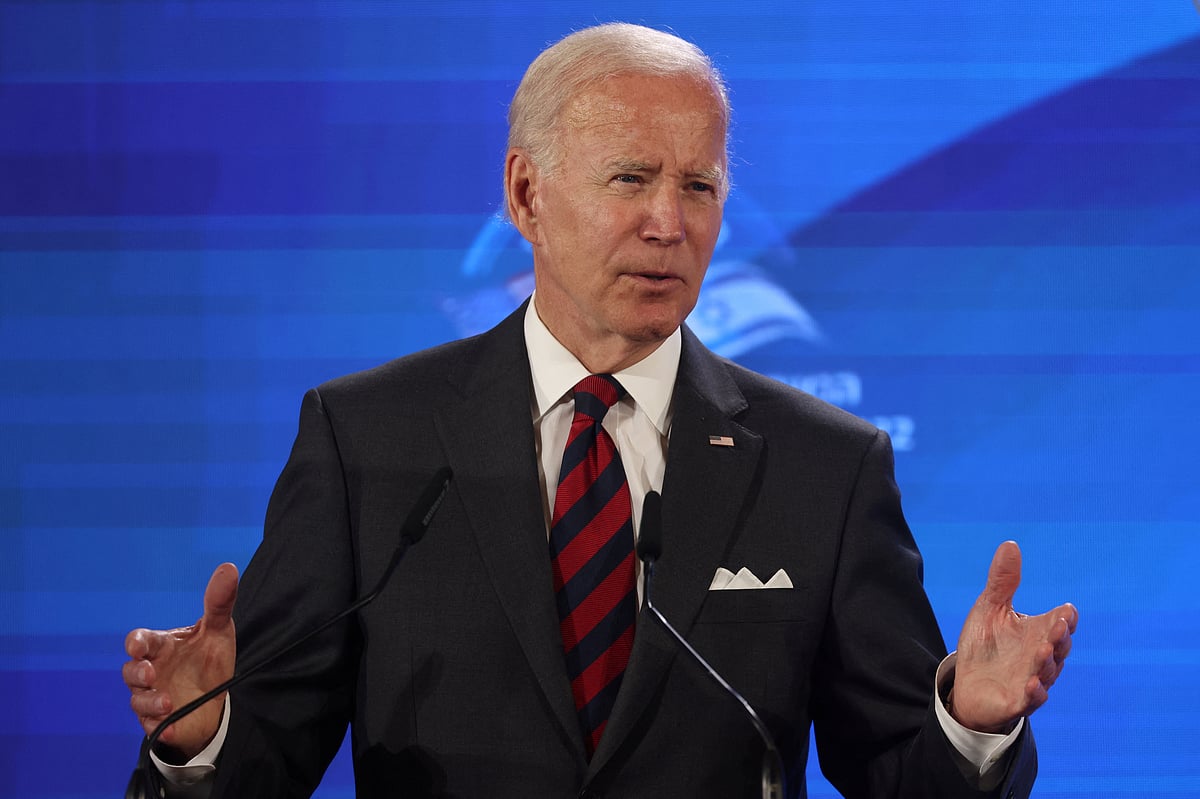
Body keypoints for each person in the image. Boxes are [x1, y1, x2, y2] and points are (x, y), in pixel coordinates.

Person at [123, 22, 1077, 798]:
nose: (670, 223)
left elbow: (896, 773)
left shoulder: (823, 463)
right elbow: (264, 765)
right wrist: (201, 741)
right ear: (526, 193)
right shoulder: (367, 439)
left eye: (698, 185)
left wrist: (973, 724)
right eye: (631, 178)